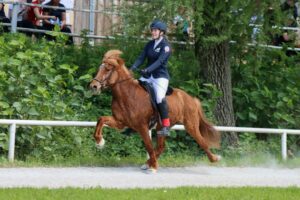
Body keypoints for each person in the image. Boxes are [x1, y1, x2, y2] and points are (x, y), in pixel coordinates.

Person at [130, 20, 172, 136]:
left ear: (161, 32)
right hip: (148, 76)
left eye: (155, 30)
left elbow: (160, 61)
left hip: (160, 77)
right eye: (152, 30)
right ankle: (132, 122)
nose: (152, 32)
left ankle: (166, 126)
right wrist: (132, 69)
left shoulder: (166, 46)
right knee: (133, 90)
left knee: (159, 97)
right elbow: (141, 58)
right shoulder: (149, 44)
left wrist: (148, 69)